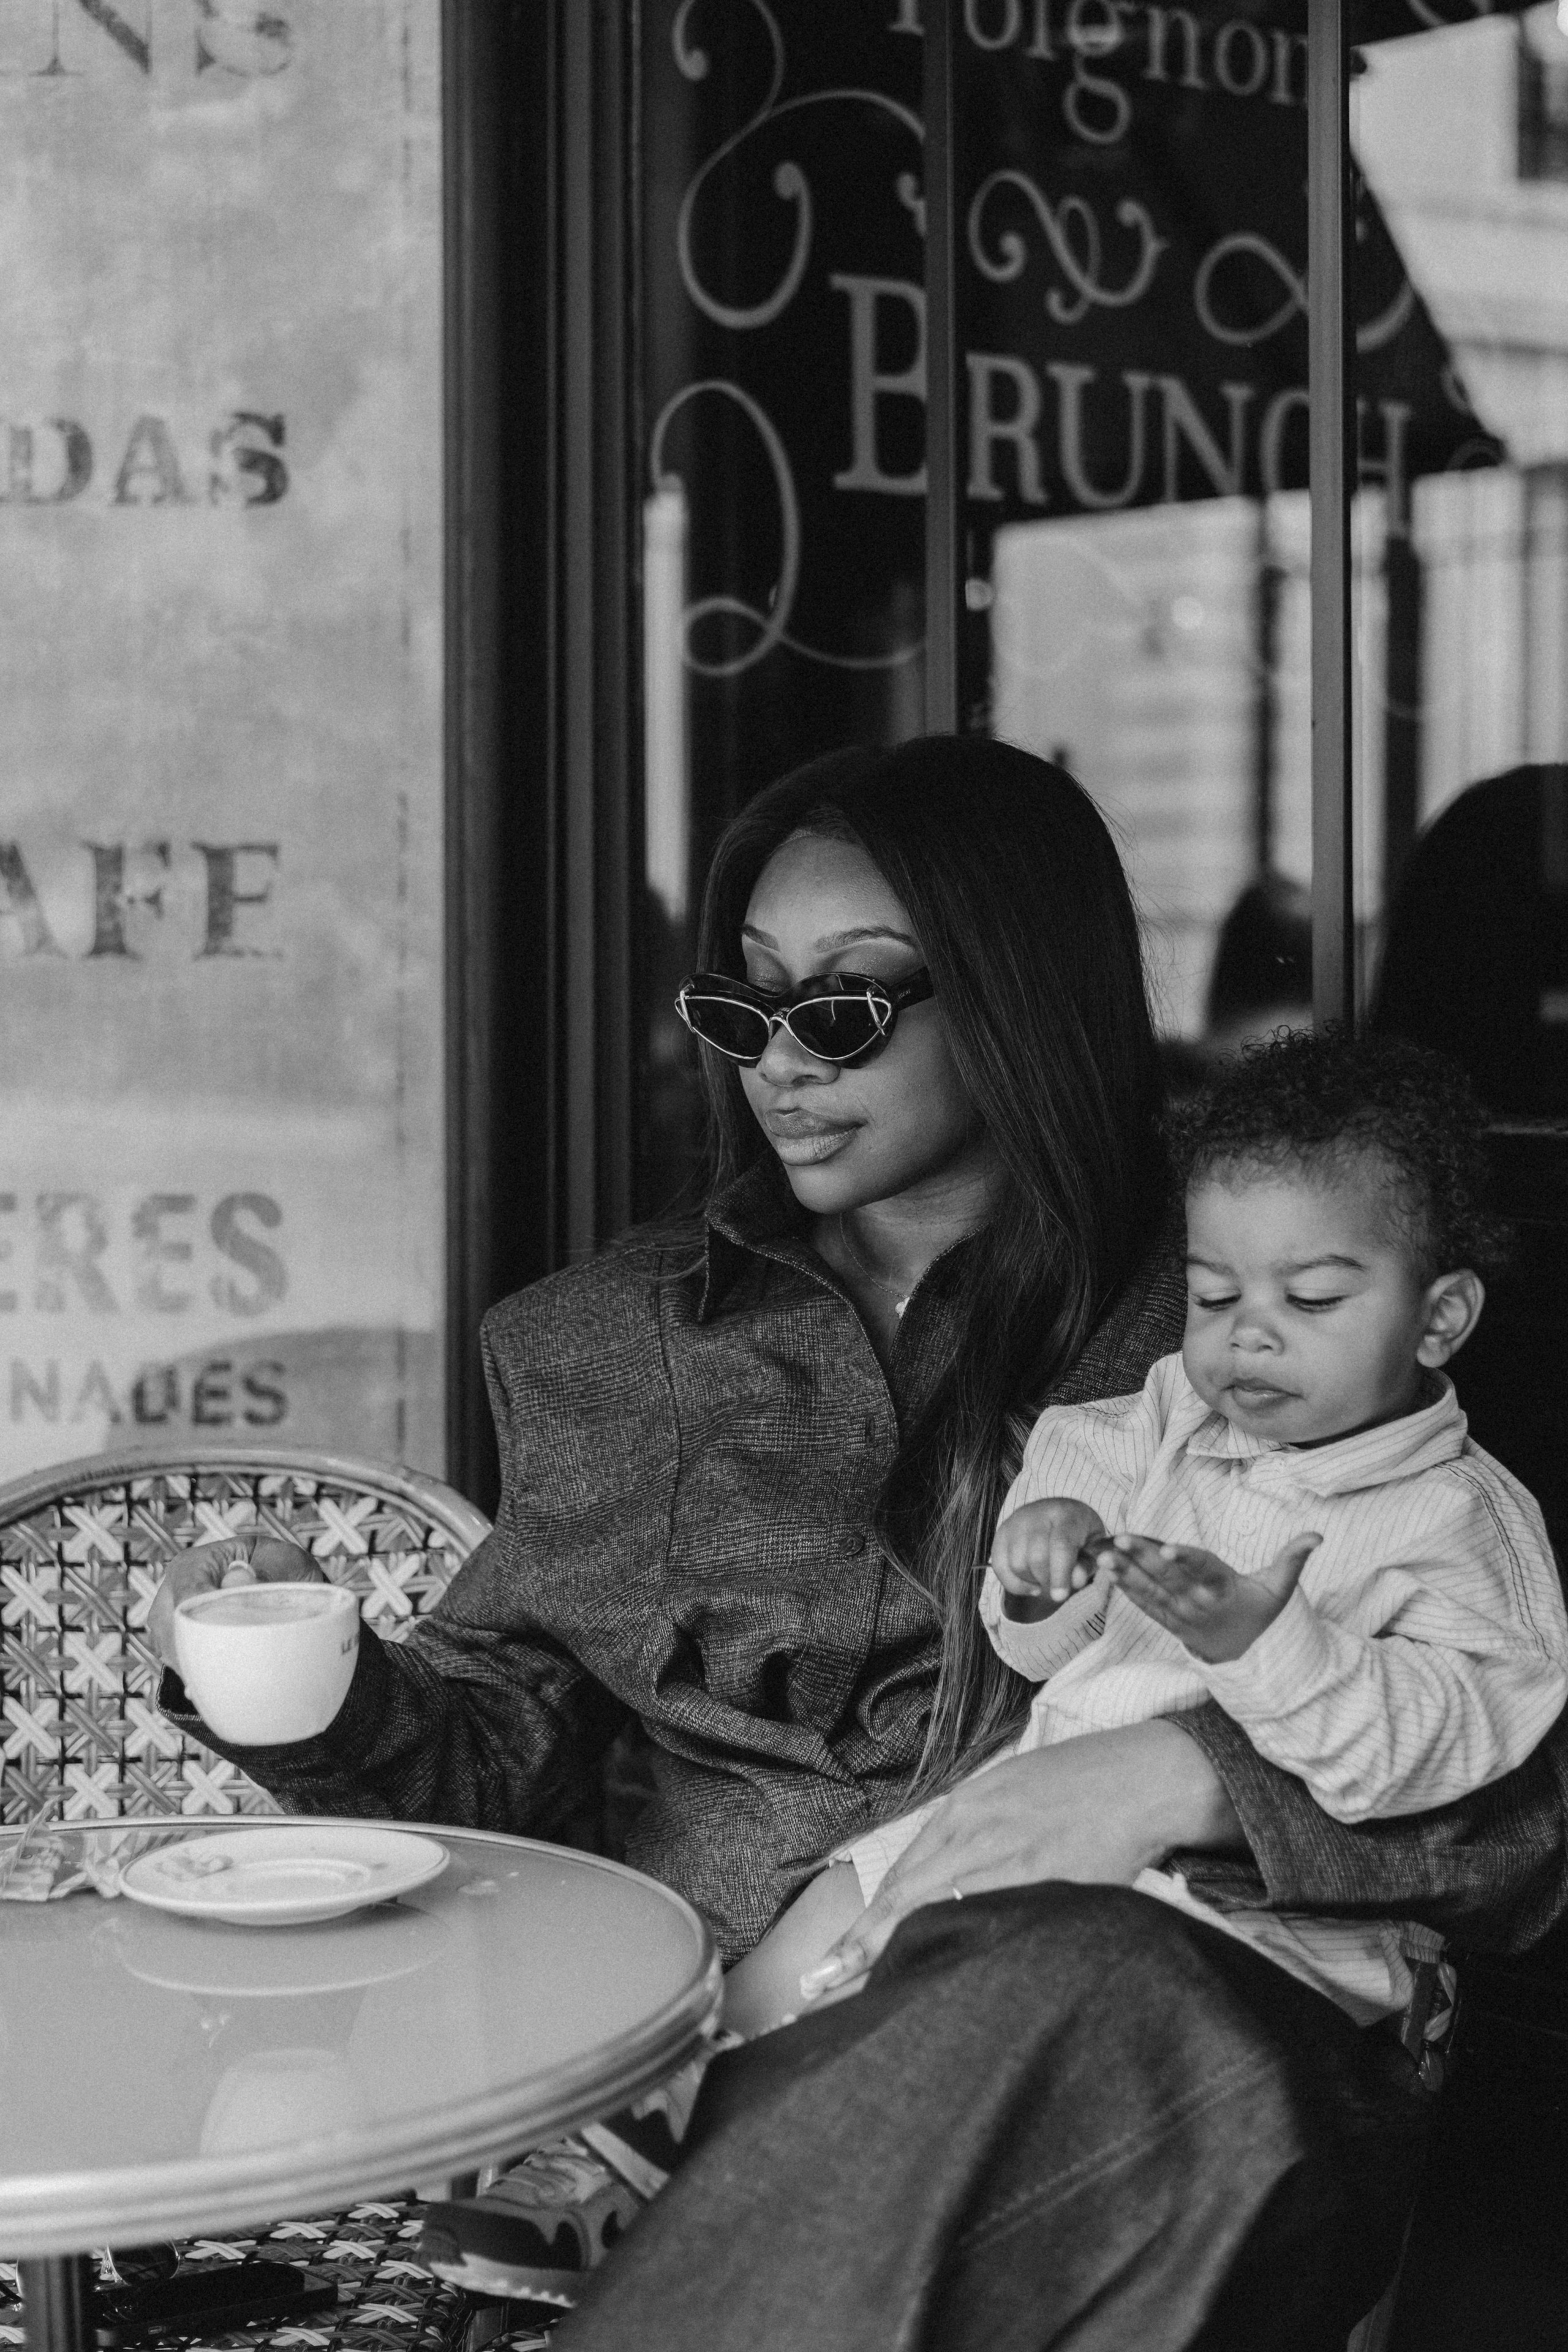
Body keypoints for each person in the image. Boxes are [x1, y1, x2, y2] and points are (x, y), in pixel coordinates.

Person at [143, 737, 1568, 2346]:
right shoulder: (614, 1347)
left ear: (1014, 993)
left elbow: (1513, 1813)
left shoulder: (1249, 1302)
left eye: (846, 1006)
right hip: (762, 2053)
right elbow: (490, 1764)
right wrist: (295, 1676)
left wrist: (1185, 1780)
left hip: (1167, 2029)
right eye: (742, 1010)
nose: (781, 1065)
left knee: (1115, 1998)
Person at [726, 1029, 1566, 2036]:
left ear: (1439, 1320)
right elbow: (1029, 1646)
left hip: (1261, 1915)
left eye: (1312, 1299)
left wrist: (1272, 1652)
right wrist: (1045, 1572)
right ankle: (678, 2106)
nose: (1248, 1331)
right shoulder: (1152, 1425)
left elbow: (1442, 1761)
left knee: (968, 2025)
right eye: (1215, 1294)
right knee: (826, 1929)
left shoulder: (1463, 1523)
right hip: (1038, 1806)